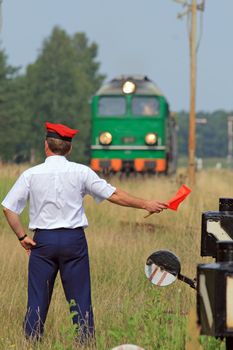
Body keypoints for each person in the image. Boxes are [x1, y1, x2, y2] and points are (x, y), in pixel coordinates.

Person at [1, 122, 167, 344]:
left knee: (37, 300)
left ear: (46, 146)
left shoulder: (31, 174)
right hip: (73, 241)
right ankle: (85, 344)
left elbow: (8, 207)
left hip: (43, 241)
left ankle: (30, 343)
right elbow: (114, 195)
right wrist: (145, 203)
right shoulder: (81, 172)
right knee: (80, 299)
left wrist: (22, 237)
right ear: (69, 148)